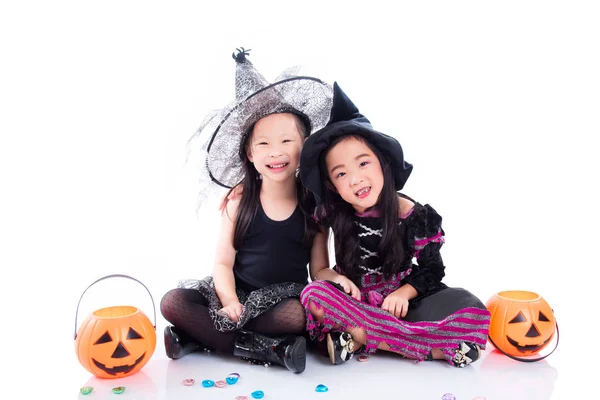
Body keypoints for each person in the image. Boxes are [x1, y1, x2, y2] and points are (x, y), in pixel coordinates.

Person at [160, 48, 333, 373]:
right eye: (264, 144)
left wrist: (334, 278)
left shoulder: (314, 204)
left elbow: (319, 269)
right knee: (173, 301)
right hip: (236, 293)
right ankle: (267, 351)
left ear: (305, 144)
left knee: (296, 316)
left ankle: (197, 339)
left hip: (283, 300)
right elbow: (223, 263)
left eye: (286, 141)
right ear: (250, 154)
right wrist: (229, 302)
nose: (276, 152)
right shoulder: (239, 202)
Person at [298, 82, 491, 368]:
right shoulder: (329, 212)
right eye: (341, 173)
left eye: (363, 164)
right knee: (313, 294)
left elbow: (432, 269)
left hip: (402, 305)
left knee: (468, 305)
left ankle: (356, 338)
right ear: (332, 185)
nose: (355, 179)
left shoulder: (412, 215)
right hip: (356, 302)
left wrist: (404, 292)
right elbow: (319, 271)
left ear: (382, 163)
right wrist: (337, 280)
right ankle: (430, 350)